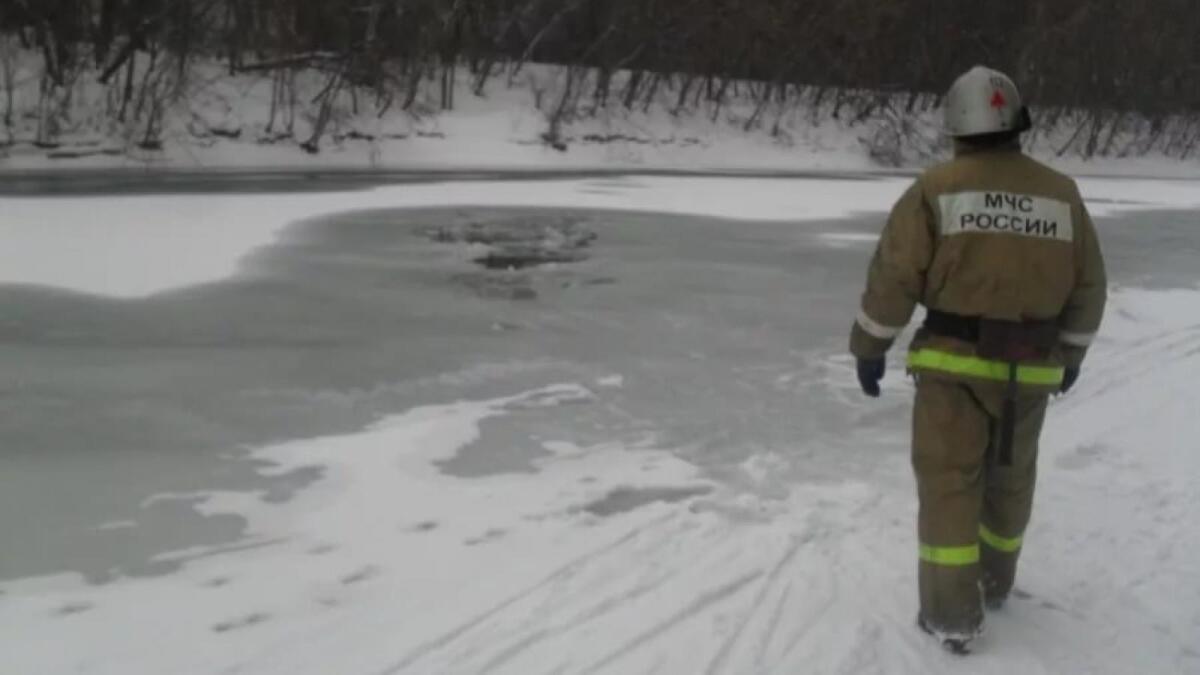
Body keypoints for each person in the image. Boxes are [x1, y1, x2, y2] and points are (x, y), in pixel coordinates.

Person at [849, 65, 1108, 653]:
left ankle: (952, 615)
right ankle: (994, 583)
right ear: (1018, 122)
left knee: (949, 485)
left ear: (956, 126)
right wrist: (1071, 354)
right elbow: (1090, 285)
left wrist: (869, 345)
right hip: (1031, 368)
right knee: (1010, 483)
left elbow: (895, 276)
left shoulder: (935, 189)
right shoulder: (1062, 194)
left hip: (953, 370)